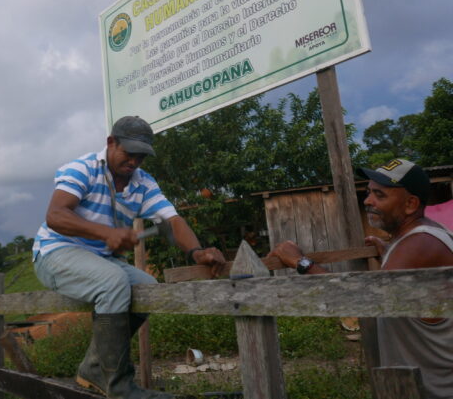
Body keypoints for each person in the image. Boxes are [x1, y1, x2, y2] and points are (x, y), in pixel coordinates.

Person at [32, 115, 226, 399]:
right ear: (111, 143)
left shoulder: (143, 184)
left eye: (141, 157)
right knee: (112, 282)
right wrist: (104, 233)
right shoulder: (83, 169)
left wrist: (197, 252)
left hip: (100, 259)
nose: (134, 162)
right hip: (56, 252)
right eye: (128, 153)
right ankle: (119, 385)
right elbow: (56, 216)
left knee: (147, 287)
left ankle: (94, 369)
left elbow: (171, 220)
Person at [270, 158, 453, 399]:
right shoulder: (426, 236)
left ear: (410, 204)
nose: (368, 201)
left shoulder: (420, 244)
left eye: (380, 195)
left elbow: (359, 301)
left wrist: (300, 262)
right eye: (368, 193)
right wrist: (389, 251)